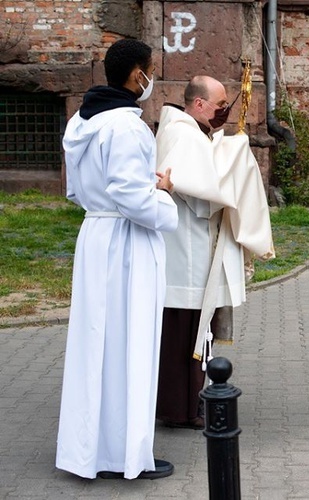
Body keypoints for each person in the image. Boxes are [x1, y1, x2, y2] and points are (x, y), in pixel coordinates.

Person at [57, 39, 179, 480]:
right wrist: (162, 195)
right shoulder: (126, 127)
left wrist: (117, 198)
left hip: (95, 236)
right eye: (150, 70)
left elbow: (76, 188)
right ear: (136, 76)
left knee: (97, 345)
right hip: (127, 242)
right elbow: (131, 196)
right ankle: (127, 455)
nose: (152, 80)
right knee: (131, 342)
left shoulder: (82, 120)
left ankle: (91, 450)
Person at [154, 76, 274, 429]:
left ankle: (188, 403)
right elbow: (202, 195)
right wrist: (233, 162)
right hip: (187, 254)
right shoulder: (184, 135)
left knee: (194, 334)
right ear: (199, 104)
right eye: (220, 105)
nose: (225, 111)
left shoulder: (185, 131)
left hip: (190, 252)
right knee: (185, 336)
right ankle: (183, 409)